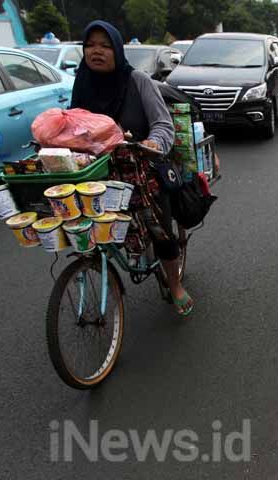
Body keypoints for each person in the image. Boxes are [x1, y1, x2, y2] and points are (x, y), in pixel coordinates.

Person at [71, 20, 193, 316]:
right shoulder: (82, 81)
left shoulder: (137, 81)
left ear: (117, 49)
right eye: (90, 45)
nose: (96, 51)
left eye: (105, 45)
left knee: (159, 228)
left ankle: (174, 284)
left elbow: (163, 124)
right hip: (95, 170)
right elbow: (73, 125)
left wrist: (152, 143)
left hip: (140, 166)